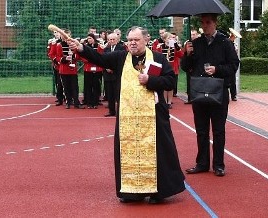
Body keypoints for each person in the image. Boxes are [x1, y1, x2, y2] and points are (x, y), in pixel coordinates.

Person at [68, 27, 185, 204]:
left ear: (146, 40)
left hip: (153, 117)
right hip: (128, 117)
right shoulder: (120, 58)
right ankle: (132, 192)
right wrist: (82, 48)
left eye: (136, 40)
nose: (132, 42)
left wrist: (150, 81)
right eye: (130, 39)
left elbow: (169, 81)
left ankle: (157, 192)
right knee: (127, 152)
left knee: (159, 152)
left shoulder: (158, 58)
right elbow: (99, 58)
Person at [180, 13, 240, 177]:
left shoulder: (224, 42)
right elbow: (186, 67)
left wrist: (217, 70)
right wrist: (187, 54)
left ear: (214, 23)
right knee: (201, 130)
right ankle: (202, 163)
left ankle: (219, 165)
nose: (204, 25)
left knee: (218, 130)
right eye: (202, 22)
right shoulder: (196, 43)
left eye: (207, 22)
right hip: (199, 92)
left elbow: (234, 65)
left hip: (218, 92)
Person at [53, 29, 82, 109]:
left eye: (68, 36)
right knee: (66, 87)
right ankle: (68, 102)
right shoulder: (59, 45)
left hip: (73, 70)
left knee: (75, 87)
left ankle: (76, 102)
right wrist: (65, 59)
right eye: (64, 36)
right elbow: (58, 57)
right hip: (64, 69)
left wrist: (73, 56)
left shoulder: (74, 44)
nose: (66, 37)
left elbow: (78, 56)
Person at [102, 33, 126, 116]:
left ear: (117, 40)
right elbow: (103, 60)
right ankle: (111, 111)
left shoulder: (122, 49)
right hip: (108, 75)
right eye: (110, 39)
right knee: (110, 94)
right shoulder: (106, 49)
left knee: (118, 94)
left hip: (117, 74)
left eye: (113, 39)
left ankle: (120, 111)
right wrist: (106, 68)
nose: (112, 41)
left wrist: (113, 68)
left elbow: (122, 61)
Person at [80, 34, 104, 109]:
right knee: (88, 86)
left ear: (94, 38)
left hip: (97, 69)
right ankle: (89, 102)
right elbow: (82, 56)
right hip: (88, 68)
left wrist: (101, 46)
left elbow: (101, 55)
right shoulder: (86, 46)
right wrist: (88, 60)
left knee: (96, 86)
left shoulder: (98, 46)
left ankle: (96, 102)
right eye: (88, 38)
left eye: (90, 38)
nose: (89, 40)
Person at [47, 31, 65, 106]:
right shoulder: (52, 42)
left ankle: (66, 96)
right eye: (55, 32)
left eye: (58, 32)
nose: (57, 34)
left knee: (65, 82)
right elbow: (49, 53)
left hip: (64, 63)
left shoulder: (64, 42)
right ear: (53, 34)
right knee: (58, 82)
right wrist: (56, 60)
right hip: (57, 65)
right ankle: (59, 97)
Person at [184, 29, 200, 104]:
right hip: (189, 66)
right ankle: (190, 97)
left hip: (197, 66)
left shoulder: (200, 43)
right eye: (191, 34)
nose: (192, 36)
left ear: (197, 35)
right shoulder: (188, 43)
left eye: (194, 34)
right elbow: (184, 55)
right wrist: (188, 53)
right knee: (189, 82)